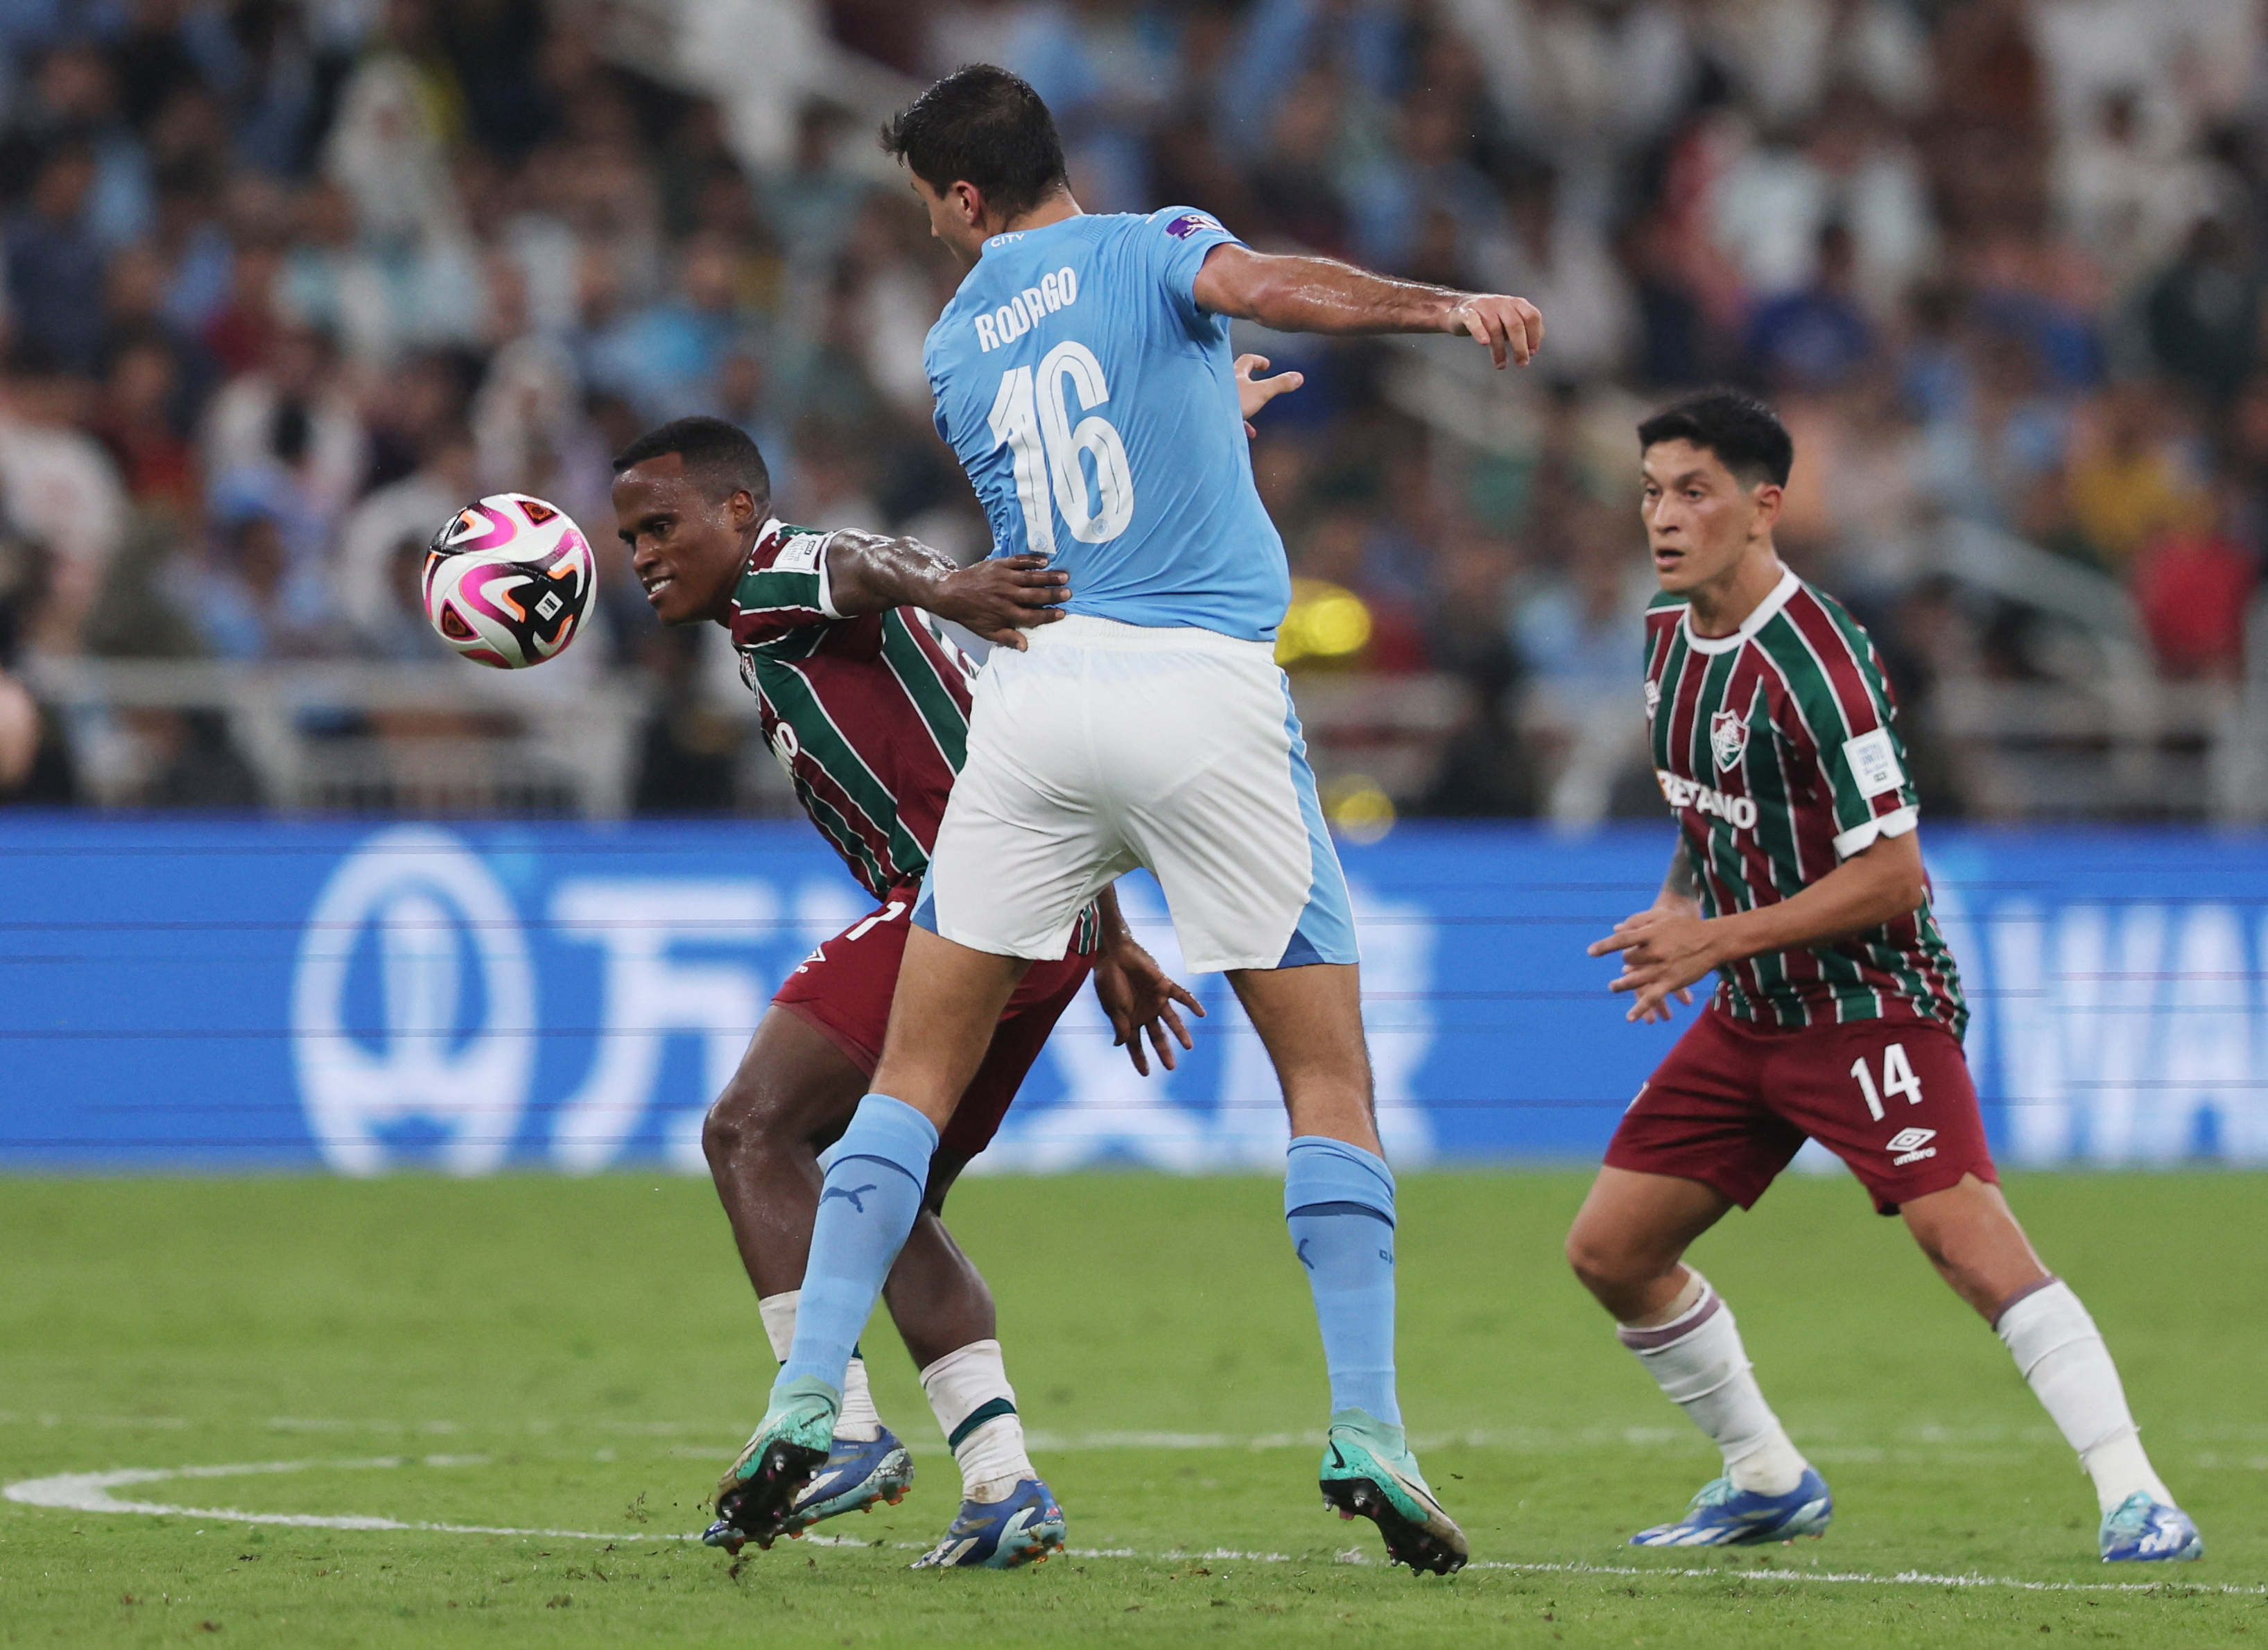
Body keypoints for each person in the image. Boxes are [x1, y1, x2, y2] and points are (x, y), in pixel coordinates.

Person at [726, 64, 1543, 1577]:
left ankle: (805, 1397)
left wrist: (1202, 404)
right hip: (1203, 693)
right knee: (1326, 1080)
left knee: (907, 1077)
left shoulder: (956, 339)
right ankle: (1366, 1421)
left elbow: (1074, 488)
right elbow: (1266, 283)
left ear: (966, 199)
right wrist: (1441, 305)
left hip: (1036, 698)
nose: (932, 233)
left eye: (929, 207)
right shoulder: (1151, 239)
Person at [1570, 389, 2201, 1563]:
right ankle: (1765, 1474)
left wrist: (1715, 938)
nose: (1663, 516)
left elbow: (1898, 876)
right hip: (1756, 1014)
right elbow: (1717, 807)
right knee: (1611, 1251)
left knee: (1969, 1248)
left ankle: (2136, 1492)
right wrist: (1680, 901)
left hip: (1866, 1009)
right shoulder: (1668, 634)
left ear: (1764, 509)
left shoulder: (1826, 664)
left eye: (1693, 491)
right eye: (1652, 490)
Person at [609, 415, 1202, 1569]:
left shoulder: (784, 574)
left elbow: (865, 564)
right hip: (1051, 923)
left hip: (963, 914)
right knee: (884, 1204)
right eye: (630, 535)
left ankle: (836, 1424)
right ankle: (1002, 1481)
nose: (641, 554)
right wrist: (1114, 931)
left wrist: (954, 585)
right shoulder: (768, 617)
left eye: (660, 525)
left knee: (748, 1128)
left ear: (738, 512)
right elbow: (999, 746)